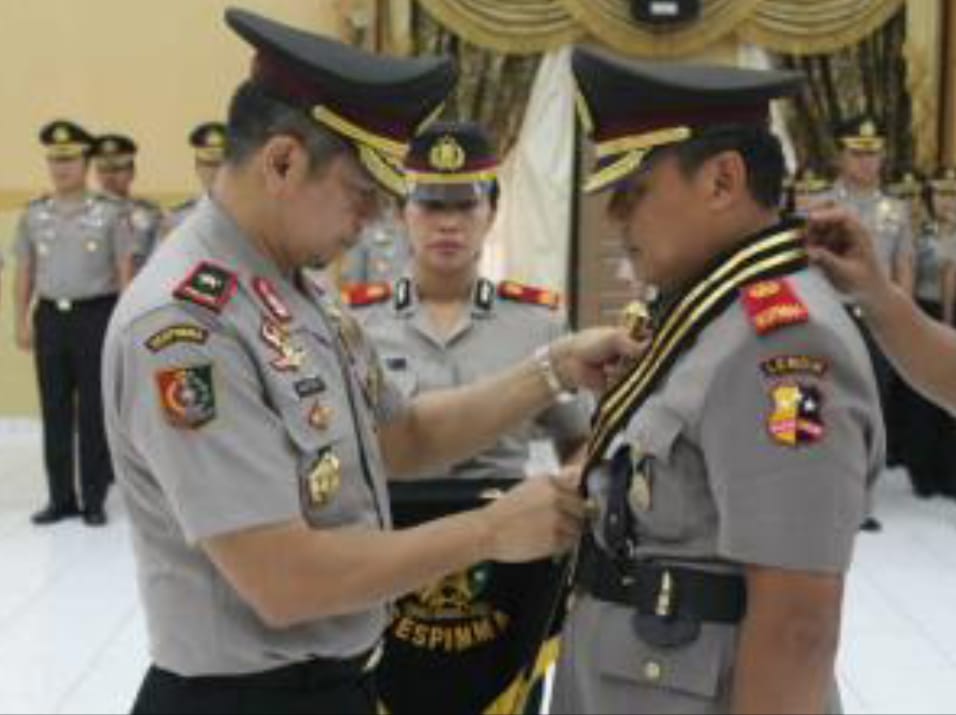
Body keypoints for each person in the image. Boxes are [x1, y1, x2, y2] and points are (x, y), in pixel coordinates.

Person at [102, 11, 639, 714]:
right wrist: (489, 531)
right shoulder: (189, 327)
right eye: (362, 195)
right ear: (282, 162)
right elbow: (282, 578)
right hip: (244, 698)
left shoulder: (296, 292)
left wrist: (553, 369)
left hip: (338, 682)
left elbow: (403, 435)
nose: (374, 222)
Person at [551, 48, 884, 715]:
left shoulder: (782, 343)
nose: (615, 217)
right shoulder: (708, 313)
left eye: (633, 192)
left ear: (723, 181)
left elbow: (797, 625)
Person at [349, 121, 592, 478]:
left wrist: (563, 491)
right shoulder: (355, 325)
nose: (449, 224)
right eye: (431, 206)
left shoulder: (538, 326)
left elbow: (582, 438)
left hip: (503, 507)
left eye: (465, 206)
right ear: (402, 214)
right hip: (393, 509)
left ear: (491, 214)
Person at [13, 120, 135, 527]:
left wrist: (122, 326)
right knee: (55, 410)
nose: (61, 168)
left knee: (94, 411)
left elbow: (124, 273)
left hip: (96, 316)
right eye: (54, 160)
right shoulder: (34, 214)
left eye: (69, 160)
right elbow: (25, 271)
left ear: (86, 163)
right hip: (51, 318)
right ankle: (60, 497)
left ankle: (94, 498)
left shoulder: (111, 213)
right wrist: (21, 319)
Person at [823, 118, 914, 522]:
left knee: (872, 406)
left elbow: (904, 265)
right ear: (840, 156)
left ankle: (863, 499)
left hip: (878, 321)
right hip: (832, 317)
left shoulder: (897, 210)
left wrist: (901, 315)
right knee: (824, 403)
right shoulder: (821, 205)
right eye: (857, 153)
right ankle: (823, 488)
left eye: (873, 153)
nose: (866, 161)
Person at [91, 133, 164, 271]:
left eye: (117, 170)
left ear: (132, 172)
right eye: (103, 170)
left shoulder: (150, 212)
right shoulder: (86, 213)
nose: (109, 177)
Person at [161, 121, 227, 235]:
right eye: (208, 164)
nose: (215, 172)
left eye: (221, 164)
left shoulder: (251, 216)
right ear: (197, 167)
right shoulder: (178, 218)